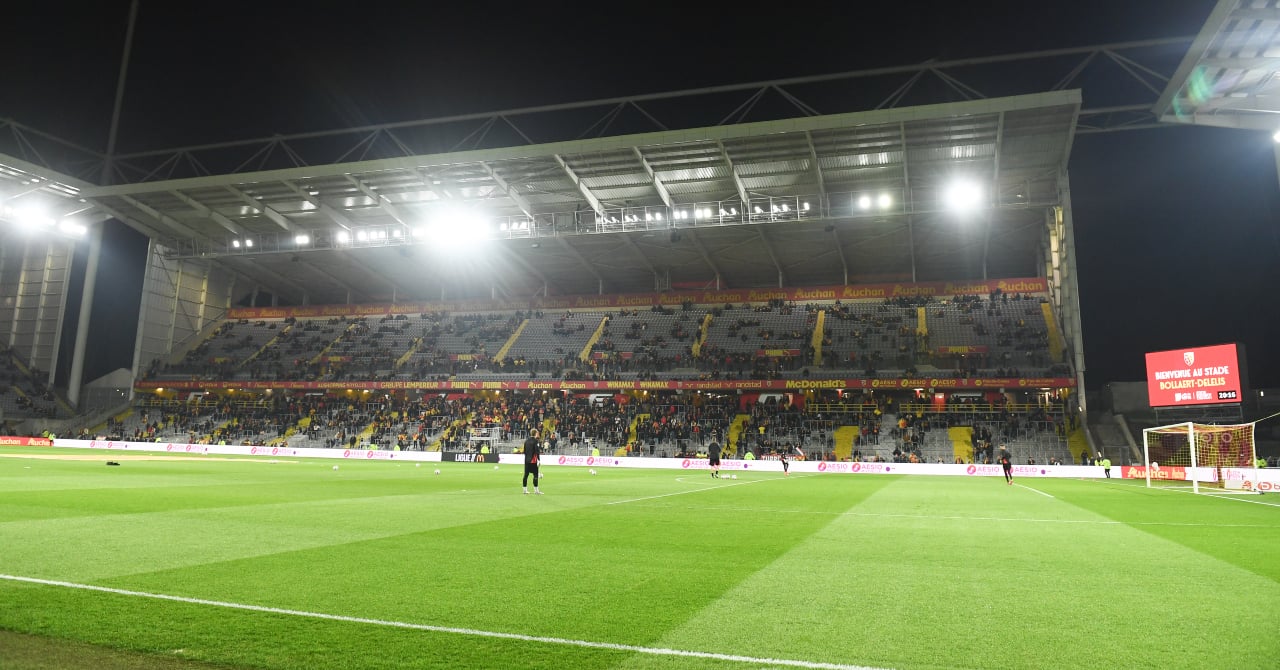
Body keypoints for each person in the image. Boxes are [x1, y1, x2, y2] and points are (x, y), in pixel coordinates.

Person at [523, 429, 543, 494]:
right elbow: (537, 451)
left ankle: (525, 490)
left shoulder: (526, 441)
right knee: (535, 475)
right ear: (535, 433)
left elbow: (524, 451)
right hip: (533, 460)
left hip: (526, 460)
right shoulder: (535, 441)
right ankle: (536, 491)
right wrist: (538, 460)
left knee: (526, 475)